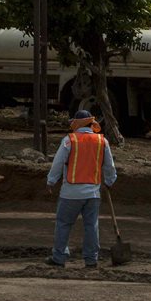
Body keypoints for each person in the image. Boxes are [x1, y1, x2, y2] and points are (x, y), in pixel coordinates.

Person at [45, 110, 117, 268]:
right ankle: (91, 260)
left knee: (63, 224)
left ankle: (59, 257)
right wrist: (110, 181)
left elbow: (58, 163)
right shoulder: (101, 141)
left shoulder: (69, 140)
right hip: (93, 193)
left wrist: (51, 181)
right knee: (91, 226)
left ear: (77, 123)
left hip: (70, 193)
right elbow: (109, 166)